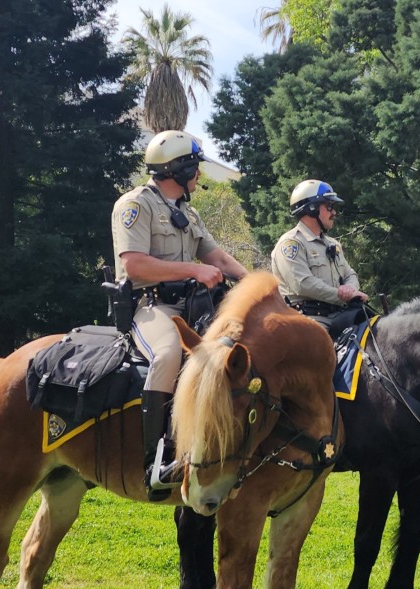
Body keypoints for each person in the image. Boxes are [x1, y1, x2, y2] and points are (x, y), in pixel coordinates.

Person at [111, 129, 248, 500]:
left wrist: (256, 285)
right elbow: (135, 265)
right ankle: (158, 459)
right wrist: (193, 270)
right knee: (170, 354)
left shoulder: (188, 212)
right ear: (180, 168)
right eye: (195, 166)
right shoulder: (135, 205)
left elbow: (217, 258)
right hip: (151, 306)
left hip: (194, 308)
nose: (199, 173)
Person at [271, 179, 370, 339]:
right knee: (319, 350)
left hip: (342, 315)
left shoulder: (333, 244)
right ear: (312, 208)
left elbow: (350, 274)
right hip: (309, 319)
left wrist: (350, 290)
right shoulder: (291, 244)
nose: (334, 212)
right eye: (329, 206)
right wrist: (340, 295)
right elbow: (303, 284)